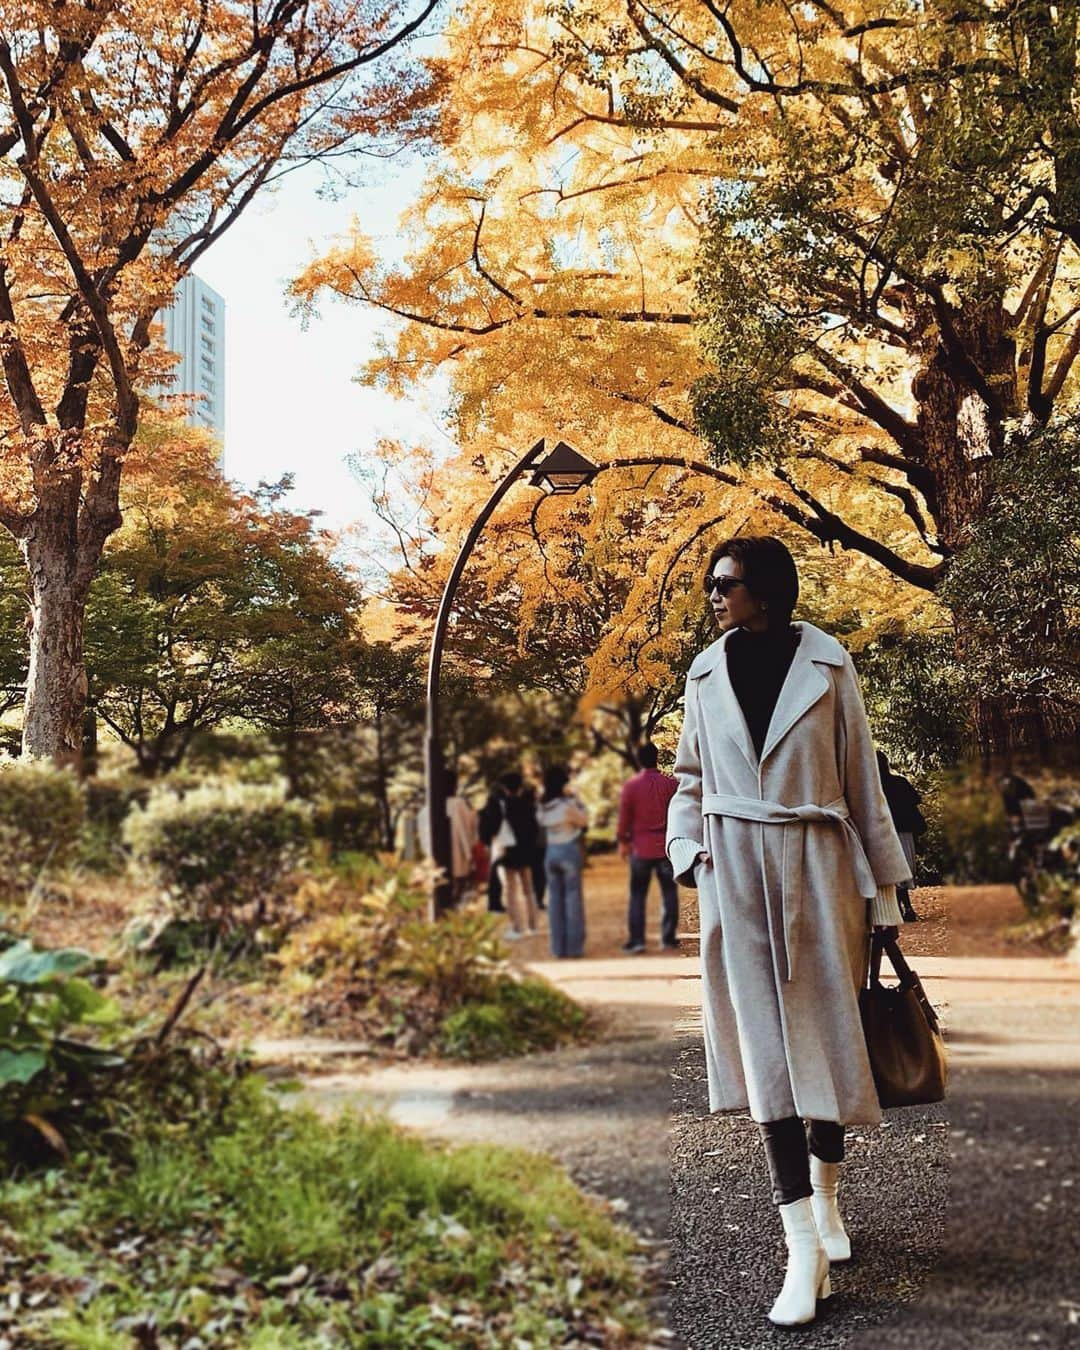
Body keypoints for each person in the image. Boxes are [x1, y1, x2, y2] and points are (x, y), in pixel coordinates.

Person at [666, 535, 911, 1329]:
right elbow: (689, 783)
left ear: (767, 590)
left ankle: (829, 1194)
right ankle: (801, 1243)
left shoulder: (830, 664)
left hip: (819, 867)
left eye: (725, 582)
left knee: (826, 1042)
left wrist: (883, 890)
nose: (713, 593)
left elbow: (861, 780)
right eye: (710, 582)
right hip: (733, 872)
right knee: (766, 1053)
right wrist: (689, 852)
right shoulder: (703, 673)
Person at [617, 743, 679, 952]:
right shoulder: (671, 785)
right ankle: (668, 938)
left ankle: (637, 940)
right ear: (657, 758)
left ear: (638, 760)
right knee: (669, 892)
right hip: (665, 847)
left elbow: (624, 817)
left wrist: (623, 841)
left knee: (637, 894)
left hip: (640, 848)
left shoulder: (631, 786)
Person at [536, 765, 589, 957]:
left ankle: (558, 948)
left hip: (550, 852)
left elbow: (540, 823)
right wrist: (578, 801)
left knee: (555, 900)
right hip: (568, 849)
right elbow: (583, 821)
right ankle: (574, 948)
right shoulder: (567, 805)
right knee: (573, 899)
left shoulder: (542, 806)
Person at [479, 771, 540, 940]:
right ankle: (533, 924)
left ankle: (517, 927)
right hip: (526, 850)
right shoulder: (528, 803)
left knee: (510, 890)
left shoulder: (499, 803)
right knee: (529, 889)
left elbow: (489, 827)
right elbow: (535, 828)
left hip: (508, 851)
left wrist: (487, 841)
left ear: (504, 787)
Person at [876, 751, 926, 922]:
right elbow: (914, 802)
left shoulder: (873, 788)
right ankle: (906, 907)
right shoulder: (900, 782)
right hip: (904, 831)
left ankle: (901, 907)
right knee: (902, 871)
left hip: (884, 834)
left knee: (892, 873)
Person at [416, 769, 479, 906]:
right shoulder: (459, 804)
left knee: (439, 897)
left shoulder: (425, 810)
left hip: (435, 862)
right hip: (458, 860)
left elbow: (423, 840)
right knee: (458, 897)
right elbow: (470, 829)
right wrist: (470, 854)